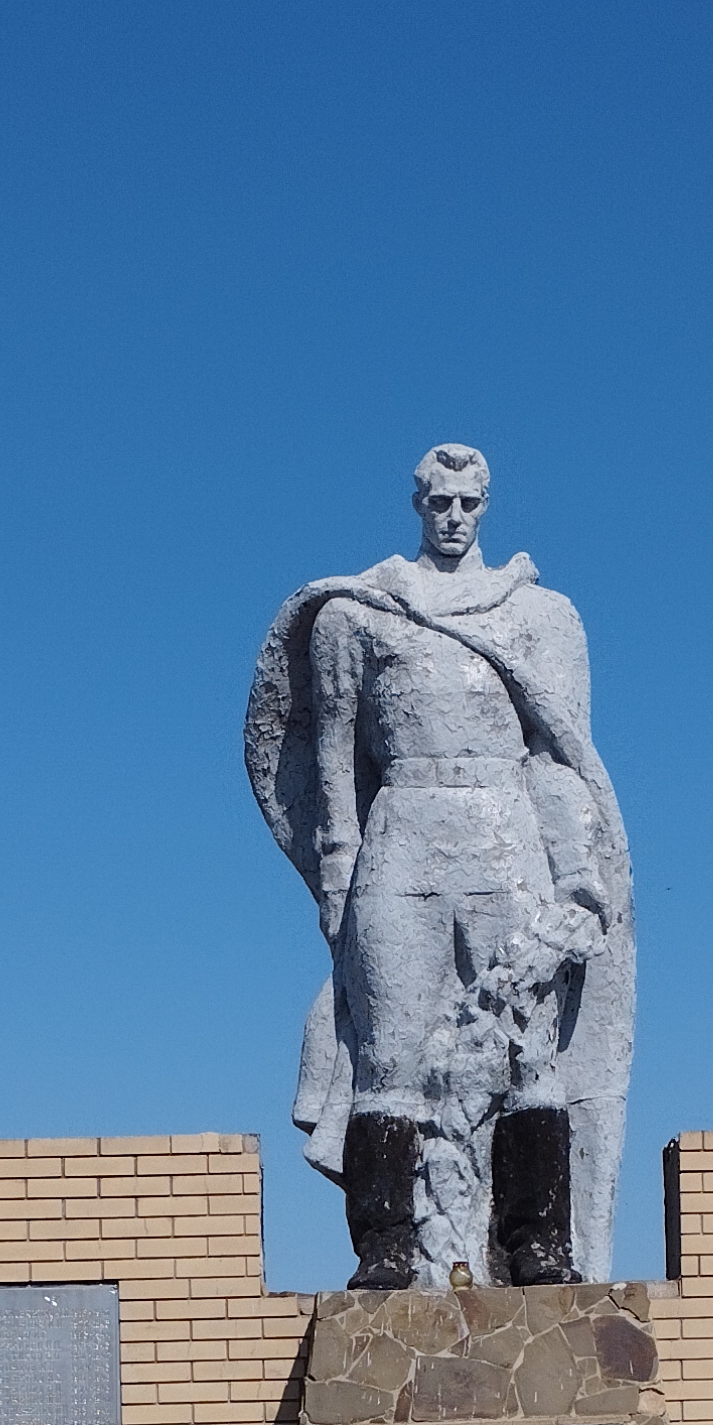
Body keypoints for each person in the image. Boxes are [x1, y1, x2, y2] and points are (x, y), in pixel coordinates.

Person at [246, 446, 633, 1287]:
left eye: (467, 503)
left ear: (485, 506)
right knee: (389, 1050)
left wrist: (575, 878)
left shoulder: (540, 615)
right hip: (403, 834)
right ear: (417, 504)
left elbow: (557, 757)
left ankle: (537, 1246)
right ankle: (385, 1249)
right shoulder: (360, 614)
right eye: (439, 502)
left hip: (506, 838)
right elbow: (337, 758)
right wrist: (339, 873)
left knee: (530, 1048)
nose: (453, 518)